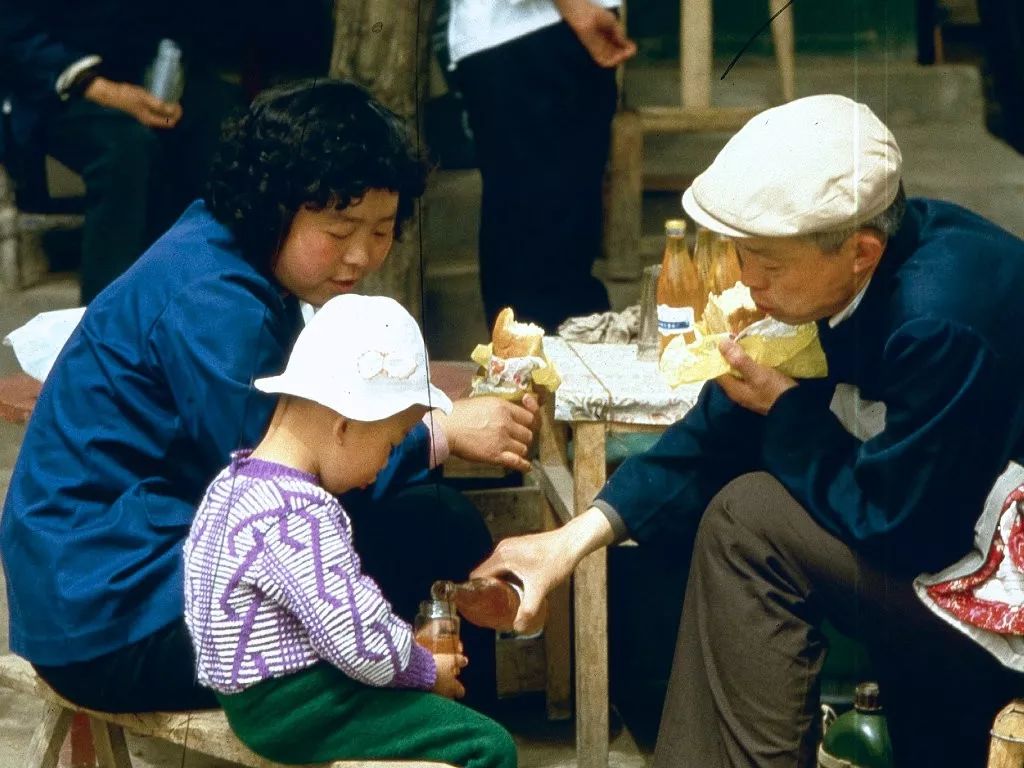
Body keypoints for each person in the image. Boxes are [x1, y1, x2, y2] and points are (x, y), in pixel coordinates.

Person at [473, 94, 1024, 767]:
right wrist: (567, 544)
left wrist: (789, 411)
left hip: (992, 582)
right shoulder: (844, 277)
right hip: (942, 533)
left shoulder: (936, 319)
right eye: (742, 255)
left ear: (860, 250)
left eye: (771, 264)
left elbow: (902, 526)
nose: (747, 280)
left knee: (750, 520)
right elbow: (719, 425)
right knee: (692, 526)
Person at [0, 78, 538, 714]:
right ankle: (455, 738)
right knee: (432, 532)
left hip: (111, 583)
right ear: (272, 205)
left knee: (422, 524)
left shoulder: (223, 250)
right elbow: (286, 478)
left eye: (382, 230)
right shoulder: (215, 302)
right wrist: (439, 432)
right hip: (116, 615)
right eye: (339, 231)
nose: (362, 255)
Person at [183, 293, 516, 768]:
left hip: (253, 698)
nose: (384, 464)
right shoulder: (298, 512)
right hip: (296, 707)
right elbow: (354, 634)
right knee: (486, 746)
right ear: (343, 426)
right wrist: (425, 670)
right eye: (390, 442)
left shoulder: (232, 485)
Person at [0, 0, 331, 303]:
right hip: (56, 87)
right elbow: (16, 37)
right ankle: (105, 315)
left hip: (147, 69)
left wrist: (166, 78)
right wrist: (106, 91)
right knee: (124, 149)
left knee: (225, 122)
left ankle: (211, 289)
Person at [446, 0, 636, 332]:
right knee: (540, 266)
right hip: (532, 32)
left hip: (550, 30)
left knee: (560, 250)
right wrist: (575, 8)